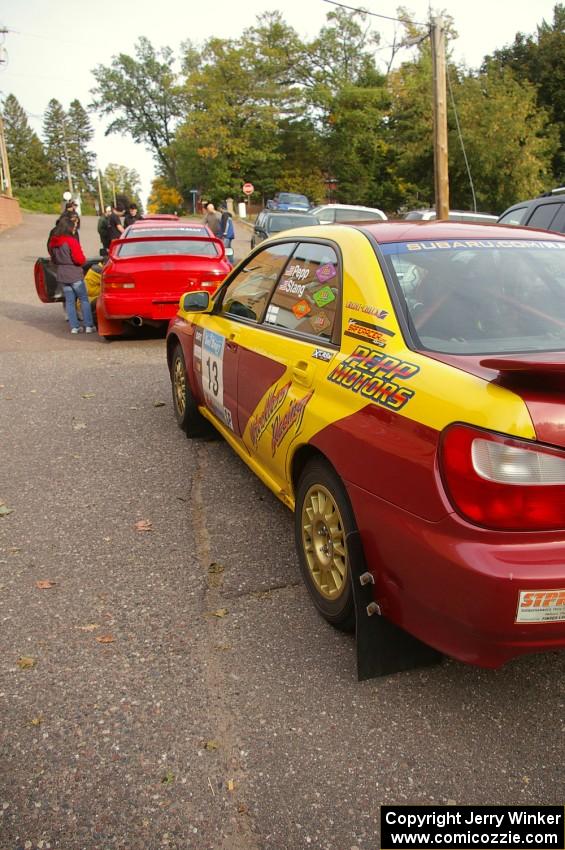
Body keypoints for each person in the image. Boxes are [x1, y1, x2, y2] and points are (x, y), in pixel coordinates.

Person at [48, 217, 95, 335]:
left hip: (62, 274)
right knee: (83, 299)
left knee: (69, 302)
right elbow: (79, 259)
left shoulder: (54, 242)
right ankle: (88, 325)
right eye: (74, 227)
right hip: (74, 273)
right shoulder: (71, 241)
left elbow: (53, 259)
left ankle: (74, 327)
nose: (75, 229)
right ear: (68, 228)